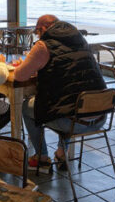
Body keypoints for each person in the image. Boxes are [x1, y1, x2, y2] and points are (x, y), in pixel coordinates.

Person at [17, 14, 107, 168]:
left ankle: (41, 157)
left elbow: (20, 75)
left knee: (27, 107)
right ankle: (61, 152)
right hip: (101, 117)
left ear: (43, 29)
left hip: (74, 122)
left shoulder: (43, 45)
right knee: (69, 99)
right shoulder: (81, 41)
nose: (37, 35)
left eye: (37, 32)